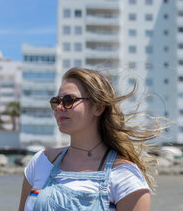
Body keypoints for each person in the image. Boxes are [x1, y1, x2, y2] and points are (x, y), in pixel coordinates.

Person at [18, 67, 162, 211]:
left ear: (98, 107)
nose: (59, 108)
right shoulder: (41, 162)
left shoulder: (125, 176)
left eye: (69, 100)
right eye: (56, 101)